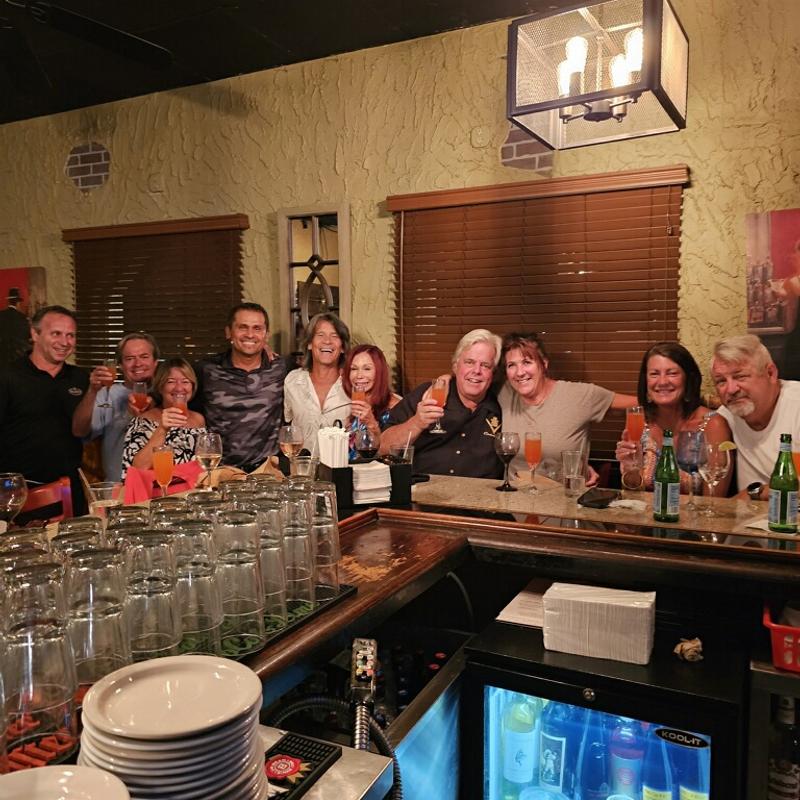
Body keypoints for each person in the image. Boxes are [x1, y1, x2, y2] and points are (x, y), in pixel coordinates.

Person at [500, 332, 636, 485]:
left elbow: (639, 405)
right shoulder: (504, 393)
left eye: (527, 362)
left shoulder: (578, 395)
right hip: (513, 497)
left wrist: (636, 446)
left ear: (544, 364)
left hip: (565, 496)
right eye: (511, 365)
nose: (519, 372)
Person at [0, 305, 89, 514]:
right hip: (21, 493)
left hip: (70, 488)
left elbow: (83, 429)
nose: (65, 342)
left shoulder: (80, 378)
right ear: (35, 334)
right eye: (56, 333)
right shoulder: (8, 377)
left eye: (70, 335)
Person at [380, 329, 504, 478]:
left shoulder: (501, 403)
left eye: (485, 365)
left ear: (493, 373)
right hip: (426, 489)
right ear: (455, 366)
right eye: (469, 362)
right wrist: (417, 423)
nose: (477, 370)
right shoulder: (428, 395)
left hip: (482, 492)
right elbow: (383, 447)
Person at [616, 342, 732, 495]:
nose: (662, 382)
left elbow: (715, 500)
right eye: (654, 374)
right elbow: (634, 494)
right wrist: (631, 469)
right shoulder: (639, 422)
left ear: (688, 379)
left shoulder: (713, 424)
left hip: (697, 511)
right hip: (649, 510)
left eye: (672, 373)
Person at [194, 302, 287, 472]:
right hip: (220, 473)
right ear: (228, 332)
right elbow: (173, 390)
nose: (250, 334)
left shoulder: (282, 368)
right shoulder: (206, 370)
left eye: (257, 328)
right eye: (242, 327)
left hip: (269, 473)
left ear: (266, 335)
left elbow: (318, 375)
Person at [711, 334, 800, 497]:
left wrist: (754, 494)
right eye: (721, 381)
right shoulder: (726, 416)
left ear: (770, 373)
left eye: (740, 376)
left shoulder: (796, 406)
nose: (731, 389)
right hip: (749, 513)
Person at [72, 332, 159, 481]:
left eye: (144, 357)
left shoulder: (166, 393)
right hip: (118, 485)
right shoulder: (107, 394)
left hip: (160, 484)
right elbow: (79, 431)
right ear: (120, 365)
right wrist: (92, 391)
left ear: (155, 362)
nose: (137, 363)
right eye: (129, 358)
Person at [121, 358, 206, 478]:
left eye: (185, 381)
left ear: (192, 386)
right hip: (161, 488)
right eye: (171, 382)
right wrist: (162, 429)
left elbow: (205, 465)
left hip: (195, 487)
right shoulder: (143, 421)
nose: (179, 388)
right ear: (160, 387)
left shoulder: (199, 419)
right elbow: (137, 470)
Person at [284, 312, 351, 452]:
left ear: (343, 347)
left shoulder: (353, 383)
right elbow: (288, 423)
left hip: (341, 464)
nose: (327, 341)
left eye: (335, 336)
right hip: (301, 464)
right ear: (309, 344)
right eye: (320, 335)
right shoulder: (292, 381)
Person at [342, 344, 401, 460]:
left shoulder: (396, 407)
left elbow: (389, 453)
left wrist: (371, 423)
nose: (359, 375)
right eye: (354, 369)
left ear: (379, 372)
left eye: (367, 369)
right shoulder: (356, 405)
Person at [0, 287, 30, 370]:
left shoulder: (1, 315)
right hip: (17, 355)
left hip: (2, 354)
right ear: (18, 303)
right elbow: (26, 336)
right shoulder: (22, 317)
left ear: (9, 301)